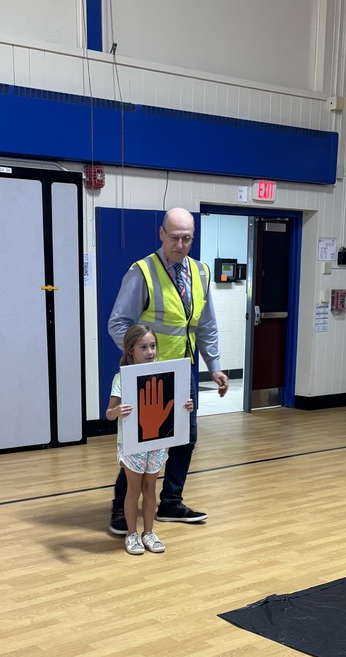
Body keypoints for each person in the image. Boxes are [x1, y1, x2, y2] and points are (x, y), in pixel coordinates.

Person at [107, 207, 229, 535]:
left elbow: (206, 325)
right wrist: (140, 357)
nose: (180, 243)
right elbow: (118, 323)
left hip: (183, 373)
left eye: (186, 238)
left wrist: (213, 367)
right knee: (140, 444)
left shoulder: (201, 272)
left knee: (184, 439)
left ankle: (171, 502)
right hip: (149, 377)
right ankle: (122, 508)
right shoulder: (142, 272)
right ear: (161, 234)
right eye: (174, 237)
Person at [106, 324, 194, 555]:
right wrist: (118, 412)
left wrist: (186, 407)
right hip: (133, 443)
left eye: (152, 346)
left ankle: (149, 532)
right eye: (143, 347)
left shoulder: (166, 373)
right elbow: (108, 413)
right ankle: (131, 534)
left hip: (156, 442)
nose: (149, 352)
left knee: (150, 488)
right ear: (131, 350)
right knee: (133, 490)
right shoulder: (122, 379)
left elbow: (175, 405)